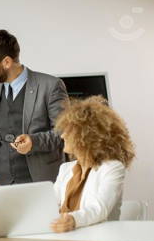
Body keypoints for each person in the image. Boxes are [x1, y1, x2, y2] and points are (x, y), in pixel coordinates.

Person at [0, 30, 68, 186]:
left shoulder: (50, 86)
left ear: (6, 62)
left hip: (40, 181)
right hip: (2, 183)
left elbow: (65, 133)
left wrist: (34, 142)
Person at [50, 96, 135, 232]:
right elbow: (49, 206)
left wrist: (73, 220)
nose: (62, 136)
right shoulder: (65, 169)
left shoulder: (112, 167)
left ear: (85, 135)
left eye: (68, 131)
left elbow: (100, 208)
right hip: (66, 237)